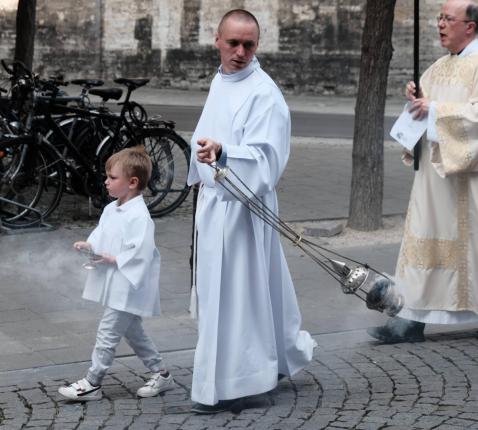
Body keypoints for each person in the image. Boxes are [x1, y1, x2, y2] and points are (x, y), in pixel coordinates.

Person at [187, 9, 316, 414]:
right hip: (216, 204)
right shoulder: (221, 79)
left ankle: (244, 380)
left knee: (242, 296)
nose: (240, 52)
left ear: (257, 46)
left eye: (249, 45)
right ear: (217, 41)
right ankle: (258, 364)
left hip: (244, 208)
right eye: (233, 43)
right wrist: (208, 157)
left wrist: (225, 153)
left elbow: (267, 159)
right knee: (223, 294)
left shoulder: (265, 93)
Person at [368, 0, 478, 344]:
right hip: (433, 181)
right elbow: (424, 113)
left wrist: (435, 110)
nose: (440, 24)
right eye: (439, 17)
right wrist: (417, 101)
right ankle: (409, 317)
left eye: (448, 19)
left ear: (470, 26)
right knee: (422, 243)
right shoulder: (437, 67)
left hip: (466, 182)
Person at [58, 146, 175, 401]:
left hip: (129, 284)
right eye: (107, 176)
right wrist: (90, 246)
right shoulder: (112, 209)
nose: (106, 181)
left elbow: (141, 252)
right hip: (118, 282)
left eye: (112, 178)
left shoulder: (140, 217)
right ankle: (161, 373)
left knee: (108, 332)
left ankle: (92, 382)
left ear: (132, 183)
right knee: (133, 332)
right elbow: (102, 233)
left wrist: (116, 258)